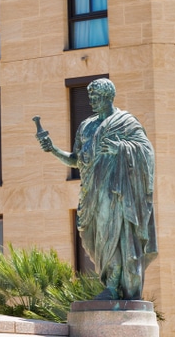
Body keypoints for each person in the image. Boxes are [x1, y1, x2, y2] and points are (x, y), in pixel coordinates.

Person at [36, 78, 157, 300]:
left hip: (117, 193)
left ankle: (113, 287)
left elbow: (146, 151)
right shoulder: (86, 126)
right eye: (90, 97)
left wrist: (119, 148)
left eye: (97, 97)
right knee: (96, 240)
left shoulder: (126, 122)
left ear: (109, 97)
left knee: (116, 237)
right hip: (92, 193)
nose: (92, 101)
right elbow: (76, 160)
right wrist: (52, 150)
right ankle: (110, 284)